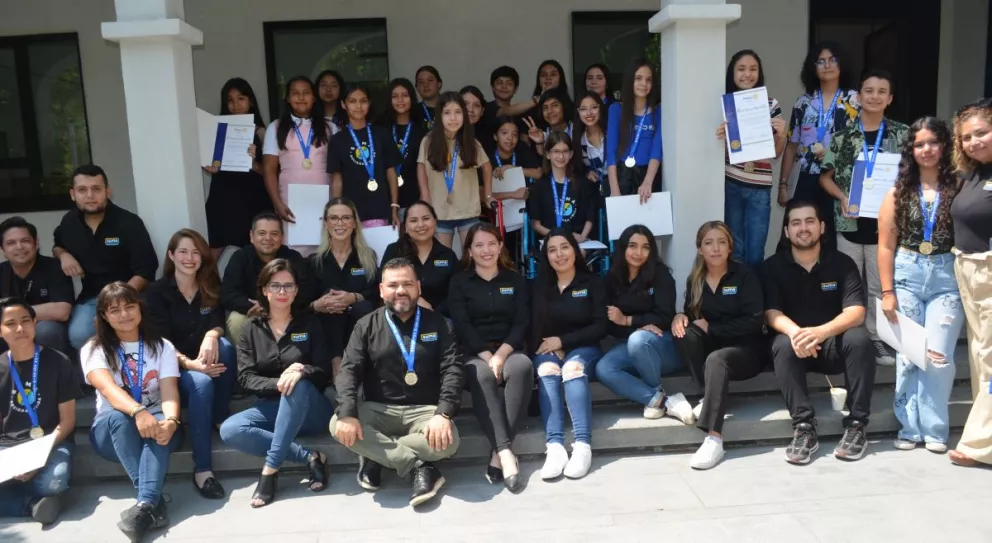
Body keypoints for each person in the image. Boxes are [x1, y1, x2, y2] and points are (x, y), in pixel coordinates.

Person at [330, 257, 464, 507]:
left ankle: (377, 456)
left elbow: (452, 369)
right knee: (338, 423)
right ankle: (418, 466)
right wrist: (348, 413)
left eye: (407, 284)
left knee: (450, 441)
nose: (400, 290)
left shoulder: (440, 324)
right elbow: (348, 371)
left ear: (418, 288)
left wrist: (443, 414)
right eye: (392, 285)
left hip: (425, 413)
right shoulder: (365, 325)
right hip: (379, 410)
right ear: (381, 290)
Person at [763, 200, 875, 465]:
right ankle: (804, 427)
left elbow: (856, 311)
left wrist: (821, 332)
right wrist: (798, 334)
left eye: (810, 221)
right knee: (781, 343)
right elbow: (770, 312)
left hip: (833, 347)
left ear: (822, 227)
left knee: (859, 339)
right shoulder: (772, 267)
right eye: (796, 223)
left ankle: (857, 425)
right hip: (795, 350)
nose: (804, 228)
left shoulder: (842, 263)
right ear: (787, 231)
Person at [877, 117, 962, 453]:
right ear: (910, 150)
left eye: (933, 142)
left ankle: (935, 429)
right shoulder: (897, 192)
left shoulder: (960, 188)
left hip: (947, 276)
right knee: (910, 355)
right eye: (919, 144)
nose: (926, 150)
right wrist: (887, 292)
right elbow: (885, 245)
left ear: (945, 146)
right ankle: (910, 428)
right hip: (907, 274)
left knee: (939, 355)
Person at [219, 259, 333, 508]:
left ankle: (270, 469)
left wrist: (301, 371)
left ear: (296, 290)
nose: (282, 292)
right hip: (272, 408)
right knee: (230, 429)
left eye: (288, 286)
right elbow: (246, 377)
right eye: (276, 285)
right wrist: (280, 382)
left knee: (299, 383)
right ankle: (310, 457)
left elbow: (324, 372)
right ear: (264, 289)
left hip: (312, 410)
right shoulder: (251, 328)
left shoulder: (310, 323)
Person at [80, 282, 183, 541]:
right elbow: (108, 389)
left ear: (140, 308)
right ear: (104, 315)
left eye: (129, 307)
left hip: (158, 426)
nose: (124, 314)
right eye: (115, 310)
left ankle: (145, 506)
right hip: (113, 435)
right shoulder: (94, 349)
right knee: (118, 415)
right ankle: (151, 498)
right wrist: (138, 411)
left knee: (159, 427)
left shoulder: (162, 346)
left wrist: (171, 420)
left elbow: (169, 391)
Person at [820, 69, 908, 364]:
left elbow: (912, 177)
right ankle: (851, 341)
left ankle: (878, 339)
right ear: (858, 97)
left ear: (890, 98)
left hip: (886, 227)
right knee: (849, 284)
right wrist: (842, 197)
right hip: (850, 223)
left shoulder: (902, 134)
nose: (874, 96)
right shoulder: (843, 137)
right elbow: (825, 178)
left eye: (881, 91)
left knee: (878, 285)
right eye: (869, 91)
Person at [143, 229, 236, 498]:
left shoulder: (209, 285)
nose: (190, 257)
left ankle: (218, 415)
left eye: (196, 252)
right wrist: (192, 365)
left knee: (226, 348)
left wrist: (211, 334)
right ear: (171, 255)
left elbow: (218, 320)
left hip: (204, 358)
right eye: (183, 251)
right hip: (172, 368)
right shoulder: (156, 292)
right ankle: (203, 469)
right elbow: (159, 345)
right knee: (202, 383)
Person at [672, 222, 767, 470]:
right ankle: (710, 393)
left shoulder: (745, 275)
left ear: (729, 248)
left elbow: (755, 321)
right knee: (684, 333)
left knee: (717, 358)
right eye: (708, 242)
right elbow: (694, 319)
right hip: (712, 353)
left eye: (721, 242)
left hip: (747, 351)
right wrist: (679, 317)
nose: (715, 248)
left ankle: (714, 439)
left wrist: (713, 329)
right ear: (700, 249)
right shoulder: (695, 280)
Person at [448, 224, 531, 491]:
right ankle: (506, 453)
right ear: (469, 251)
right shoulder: (459, 282)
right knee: (480, 374)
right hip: (473, 352)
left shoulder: (515, 279)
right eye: (479, 245)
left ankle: (498, 452)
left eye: (491, 244)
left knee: (522, 367)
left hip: (510, 348)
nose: (486, 250)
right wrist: (487, 356)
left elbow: (522, 322)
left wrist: (502, 353)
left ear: (500, 246)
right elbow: (462, 324)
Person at [53, 164, 159, 352]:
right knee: (79, 335)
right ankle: (96, 378)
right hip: (91, 298)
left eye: (96, 189)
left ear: (107, 191)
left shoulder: (128, 223)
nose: (90, 195)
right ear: (72, 194)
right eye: (82, 190)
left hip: (129, 296)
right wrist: (63, 255)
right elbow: (57, 244)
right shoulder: (69, 223)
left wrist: (116, 306)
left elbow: (146, 270)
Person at [597, 224, 693, 422]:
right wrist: (638, 326)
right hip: (628, 344)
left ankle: (655, 395)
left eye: (645, 247)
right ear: (623, 248)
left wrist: (628, 320)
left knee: (639, 340)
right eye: (632, 246)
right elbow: (608, 322)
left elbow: (665, 317)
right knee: (604, 368)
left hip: (662, 346)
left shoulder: (661, 275)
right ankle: (660, 400)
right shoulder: (612, 278)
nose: (638, 253)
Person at [531, 229, 606, 480]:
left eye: (564, 247)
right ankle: (555, 447)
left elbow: (599, 327)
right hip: (551, 349)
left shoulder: (592, 283)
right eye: (552, 250)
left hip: (585, 348)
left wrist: (563, 341)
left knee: (572, 369)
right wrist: (554, 345)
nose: (559, 254)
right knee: (546, 369)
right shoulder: (539, 287)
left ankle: (582, 445)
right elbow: (534, 326)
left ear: (575, 250)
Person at [0, 298, 78, 525]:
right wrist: (11, 461)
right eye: (11, 323)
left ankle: (21, 494)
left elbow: (68, 421)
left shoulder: (59, 361)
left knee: (53, 481)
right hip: (8, 444)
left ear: (35, 323)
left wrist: (37, 458)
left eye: (26, 321)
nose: (20, 328)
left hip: (51, 442)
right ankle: (32, 505)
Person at [947, 98, 992, 468]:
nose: (974, 142)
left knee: (990, 358)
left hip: (990, 270)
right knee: (979, 356)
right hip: (969, 270)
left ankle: (979, 444)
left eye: (982, 133)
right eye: (966, 137)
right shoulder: (973, 173)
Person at [715, 50, 787, 266]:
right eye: (741, 69)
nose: (747, 74)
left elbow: (776, 153)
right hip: (731, 183)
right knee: (734, 250)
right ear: (732, 73)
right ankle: (737, 297)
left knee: (755, 252)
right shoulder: (724, 105)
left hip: (760, 188)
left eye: (753, 69)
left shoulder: (770, 104)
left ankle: (754, 299)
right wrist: (720, 136)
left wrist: (782, 134)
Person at [779, 42, 860, 236]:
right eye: (821, 61)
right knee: (800, 234)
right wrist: (783, 184)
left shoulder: (855, 100)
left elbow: (863, 143)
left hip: (839, 180)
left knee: (832, 240)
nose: (827, 65)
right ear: (813, 67)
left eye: (833, 60)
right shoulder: (803, 102)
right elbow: (791, 146)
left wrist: (834, 152)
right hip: (806, 179)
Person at [262, 75, 334, 256]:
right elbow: (269, 169)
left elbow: (337, 169)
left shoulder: (329, 127)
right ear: (287, 98)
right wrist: (277, 203)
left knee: (324, 250)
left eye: (306, 93)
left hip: (324, 199)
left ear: (314, 97)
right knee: (293, 254)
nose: (301, 97)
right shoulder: (276, 127)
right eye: (295, 93)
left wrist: (335, 201)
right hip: (289, 202)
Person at [202, 77, 274, 260]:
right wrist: (211, 168)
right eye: (230, 100)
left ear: (250, 101)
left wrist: (253, 163)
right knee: (211, 254)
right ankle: (207, 289)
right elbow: (212, 162)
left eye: (241, 98)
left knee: (258, 254)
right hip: (223, 197)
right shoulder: (216, 130)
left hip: (252, 199)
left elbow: (271, 172)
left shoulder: (262, 132)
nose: (235, 105)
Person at [309, 198, 380, 379]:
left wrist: (353, 297)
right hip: (327, 326)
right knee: (329, 299)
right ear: (326, 223)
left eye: (346, 218)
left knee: (362, 307)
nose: (340, 223)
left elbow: (374, 293)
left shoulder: (368, 257)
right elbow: (304, 300)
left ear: (354, 223)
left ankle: (358, 366)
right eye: (334, 218)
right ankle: (336, 362)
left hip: (358, 320)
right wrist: (319, 304)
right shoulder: (314, 260)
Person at [221, 212, 315, 344]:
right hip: (252, 311)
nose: (268, 238)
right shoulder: (240, 257)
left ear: (282, 237)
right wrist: (256, 307)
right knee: (236, 320)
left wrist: (273, 305)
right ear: (251, 236)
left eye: (274, 234)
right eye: (261, 233)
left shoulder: (293, 258)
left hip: (287, 310)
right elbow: (228, 293)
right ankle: (247, 361)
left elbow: (307, 290)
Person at [417, 91, 493, 248]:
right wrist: (425, 196)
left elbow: (486, 166)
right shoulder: (428, 141)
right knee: (442, 260)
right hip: (439, 210)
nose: (453, 118)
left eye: (458, 112)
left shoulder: (471, 141)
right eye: (447, 113)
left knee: (471, 257)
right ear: (439, 115)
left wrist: (488, 195)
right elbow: (421, 166)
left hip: (468, 210)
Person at [328, 84, 402, 228]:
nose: (358, 106)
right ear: (344, 104)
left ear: (369, 103)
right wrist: (337, 212)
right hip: (350, 212)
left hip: (380, 209)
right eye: (352, 101)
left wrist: (394, 206)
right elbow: (337, 180)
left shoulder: (381, 134)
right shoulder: (337, 140)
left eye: (363, 101)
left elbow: (391, 173)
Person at [0, 217, 74, 354]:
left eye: (25, 241)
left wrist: (14, 314)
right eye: (11, 243)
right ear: (3, 249)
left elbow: (62, 311)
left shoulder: (54, 267)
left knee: (46, 331)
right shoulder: (2, 272)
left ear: (36, 243)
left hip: (47, 328)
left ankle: (51, 374)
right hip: (11, 326)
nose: (19, 247)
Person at [380, 201, 458, 316]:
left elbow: (456, 294)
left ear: (435, 222)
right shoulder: (394, 251)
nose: (420, 225)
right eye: (413, 220)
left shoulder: (448, 255)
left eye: (426, 218)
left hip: (440, 320)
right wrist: (415, 302)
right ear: (405, 225)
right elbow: (383, 287)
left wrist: (432, 313)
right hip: (400, 317)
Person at [606, 59, 663, 202]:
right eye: (638, 78)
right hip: (622, 176)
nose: (644, 84)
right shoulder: (616, 109)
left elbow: (657, 148)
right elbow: (611, 151)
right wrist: (614, 189)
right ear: (630, 80)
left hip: (649, 175)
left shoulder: (659, 111)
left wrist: (648, 181)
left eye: (648, 80)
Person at [528, 131, 595, 242]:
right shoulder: (539, 186)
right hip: (550, 241)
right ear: (548, 154)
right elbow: (535, 224)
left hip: (577, 241)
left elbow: (590, 218)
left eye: (565, 151)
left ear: (571, 154)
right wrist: (558, 237)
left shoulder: (582, 184)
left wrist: (583, 236)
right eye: (556, 151)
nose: (561, 156)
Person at [382, 77, 427, 213]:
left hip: (414, 197)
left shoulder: (422, 131)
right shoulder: (380, 129)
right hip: (386, 199)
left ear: (412, 98)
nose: (400, 101)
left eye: (405, 96)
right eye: (395, 96)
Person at [523, 87, 574, 156]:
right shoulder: (540, 134)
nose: (549, 111)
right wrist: (540, 143)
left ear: (564, 106)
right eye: (545, 108)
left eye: (554, 105)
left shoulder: (577, 129)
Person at [574, 91, 608, 195]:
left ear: (600, 108)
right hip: (595, 191)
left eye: (593, 107)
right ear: (578, 112)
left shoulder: (611, 133)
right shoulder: (579, 141)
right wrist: (587, 173)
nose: (589, 113)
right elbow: (580, 168)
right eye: (583, 109)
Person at [461, 85, 494, 156]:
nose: (470, 109)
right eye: (465, 104)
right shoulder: (446, 134)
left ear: (482, 111)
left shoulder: (487, 138)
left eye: (476, 105)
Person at [414, 65, 442, 131]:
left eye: (430, 80)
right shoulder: (413, 112)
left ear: (439, 83)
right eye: (421, 82)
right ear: (417, 87)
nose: (425, 85)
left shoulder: (450, 107)